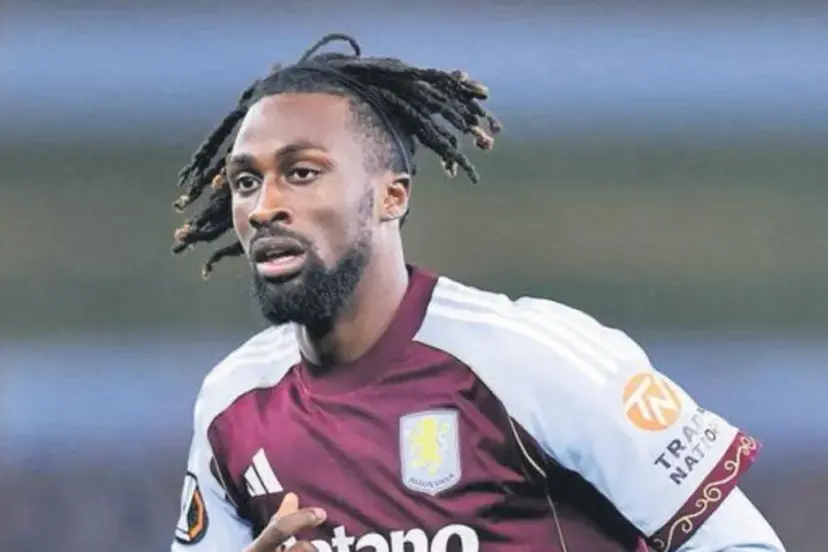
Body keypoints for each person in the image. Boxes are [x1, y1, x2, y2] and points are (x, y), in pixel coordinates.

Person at [169, 34, 785, 552]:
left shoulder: (529, 359)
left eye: (301, 173)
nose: (264, 207)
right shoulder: (232, 405)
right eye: (246, 182)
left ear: (391, 196)